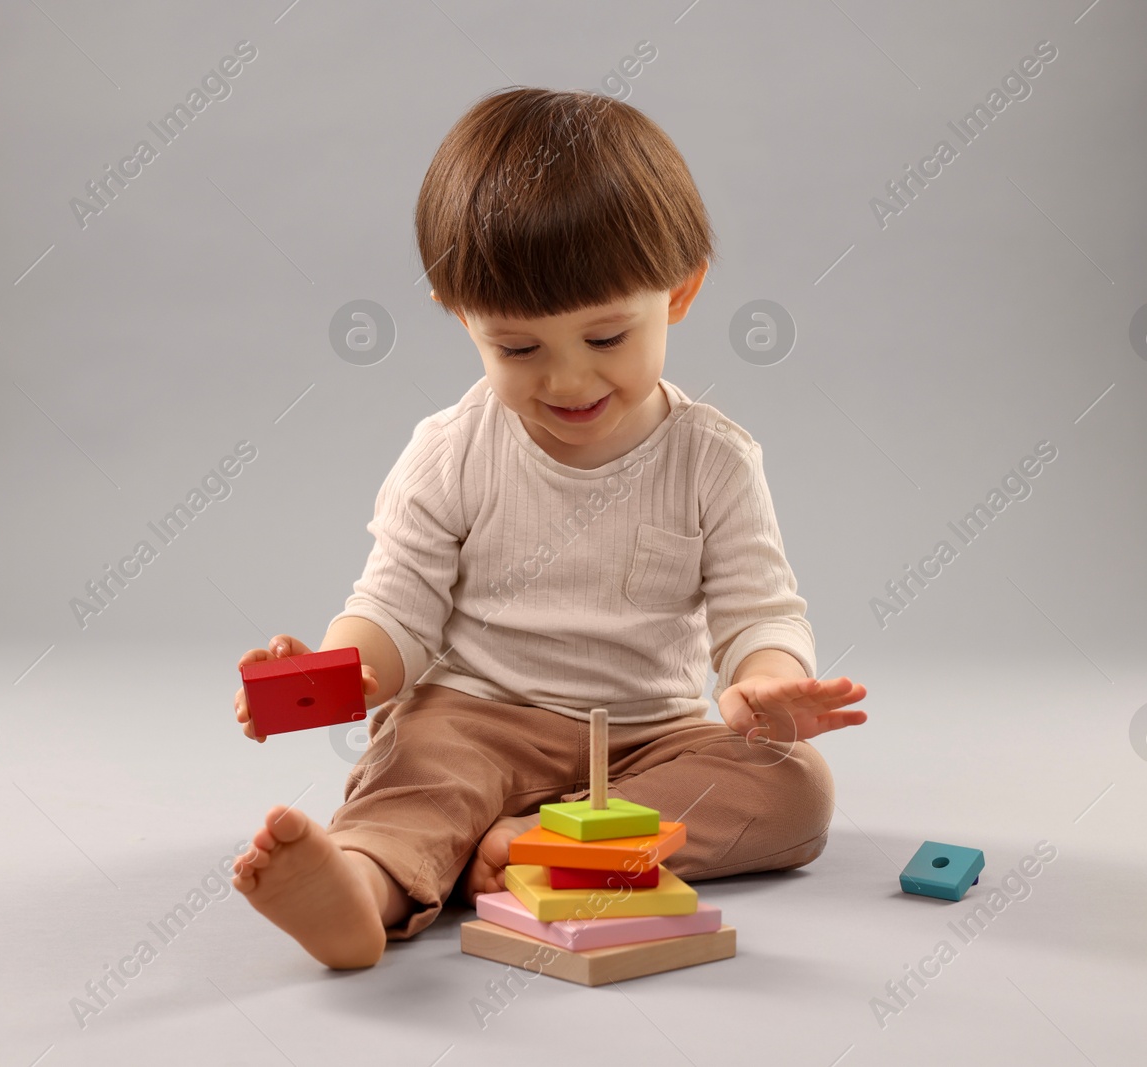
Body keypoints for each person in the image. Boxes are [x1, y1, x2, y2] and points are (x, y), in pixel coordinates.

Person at [229, 86, 868, 969]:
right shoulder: (453, 451)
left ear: (679, 296)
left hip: (651, 736)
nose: (567, 381)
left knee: (796, 791)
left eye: (606, 337)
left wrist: (765, 684)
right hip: (478, 712)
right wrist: (334, 677)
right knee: (418, 770)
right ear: (464, 318)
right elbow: (395, 606)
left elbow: (761, 608)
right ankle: (361, 888)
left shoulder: (713, 459)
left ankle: (525, 844)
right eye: (519, 349)